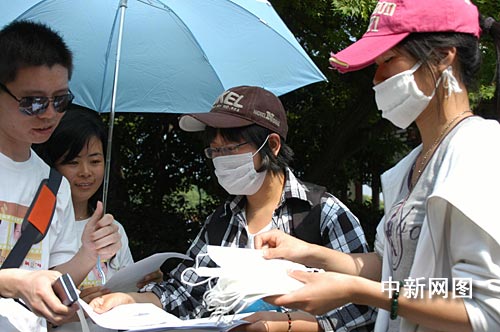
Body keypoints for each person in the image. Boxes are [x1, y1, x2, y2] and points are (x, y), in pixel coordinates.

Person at [254, 1, 500, 331]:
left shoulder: (480, 151)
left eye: (388, 60)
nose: (377, 77)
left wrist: (359, 292)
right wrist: (307, 253)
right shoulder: (413, 164)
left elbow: (481, 304)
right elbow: (391, 267)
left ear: (444, 55)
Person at [89, 85, 377, 331]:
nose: (220, 160)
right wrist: (131, 300)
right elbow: (185, 290)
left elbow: (367, 304)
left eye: (230, 149)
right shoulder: (221, 221)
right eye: (215, 151)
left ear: (272, 145)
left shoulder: (323, 214)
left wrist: (296, 324)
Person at [0, 20, 122, 332]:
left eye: (61, 100)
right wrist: (16, 282)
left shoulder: (54, 186)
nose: (50, 113)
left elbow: (53, 276)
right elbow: (25, 281)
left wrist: (88, 253)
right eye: (33, 102)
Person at [35, 107, 164, 331]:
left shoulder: (112, 229)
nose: (86, 172)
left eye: (95, 161)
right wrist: (74, 306)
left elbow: (128, 298)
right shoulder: (36, 228)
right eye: (73, 162)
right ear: (51, 165)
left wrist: (147, 286)